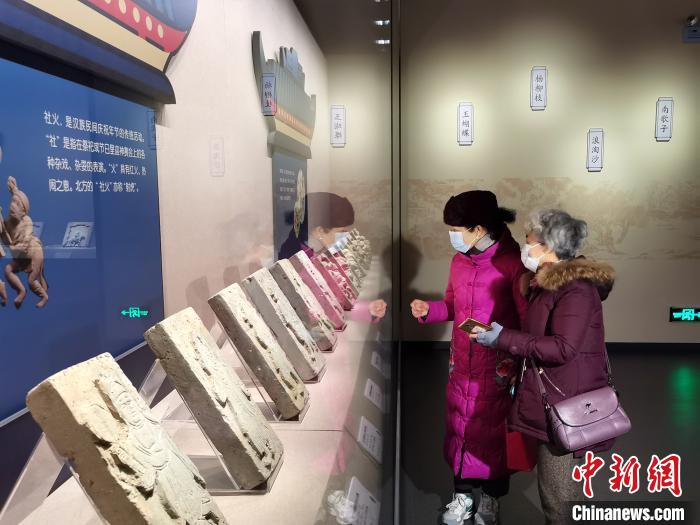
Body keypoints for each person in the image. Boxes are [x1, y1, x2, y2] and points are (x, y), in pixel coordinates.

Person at [471, 209, 615, 525]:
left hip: (567, 404)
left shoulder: (575, 289)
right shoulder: (547, 284)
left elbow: (562, 348)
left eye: (529, 241)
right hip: (553, 394)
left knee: (559, 500)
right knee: (557, 493)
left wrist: (503, 338)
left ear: (549, 245)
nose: (525, 247)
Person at [410, 190, 528, 525]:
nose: (452, 236)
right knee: (460, 425)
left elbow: (526, 322)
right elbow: (452, 305)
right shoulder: (459, 262)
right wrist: (429, 310)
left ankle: (491, 498)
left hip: (498, 367)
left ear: (478, 229)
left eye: (456, 229)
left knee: (494, 431)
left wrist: (503, 342)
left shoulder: (513, 266)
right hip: (461, 363)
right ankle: (461, 495)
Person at [280, 191, 387, 322]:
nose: (346, 237)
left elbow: (335, 306)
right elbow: (322, 313)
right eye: (342, 231)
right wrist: (367, 311)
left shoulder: (322, 254)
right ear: (319, 231)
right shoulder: (299, 264)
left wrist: (369, 310)